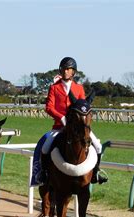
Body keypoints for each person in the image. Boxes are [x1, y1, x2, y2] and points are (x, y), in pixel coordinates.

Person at [35, 56, 107, 185]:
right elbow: (49, 107)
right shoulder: (54, 88)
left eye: (68, 69)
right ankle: (43, 174)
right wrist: (61, 118)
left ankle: (96, 173)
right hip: (59, 126)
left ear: (73, 71)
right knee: (45, 147)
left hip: (79, 126)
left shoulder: (79, 88)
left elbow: (83, 106)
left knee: (98, 146)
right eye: (63, 69)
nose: (65, 71)